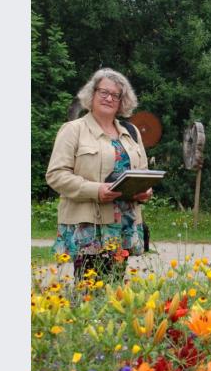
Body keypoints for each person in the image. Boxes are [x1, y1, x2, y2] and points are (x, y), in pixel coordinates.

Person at [46, 68, 153, 279]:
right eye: (104, 92)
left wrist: (145, 191)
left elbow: (144, 173)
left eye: (115, 95)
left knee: (116, 288)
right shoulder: (73, 130)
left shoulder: (131, 133)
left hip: (124, 224)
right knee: (89, 288)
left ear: (122, 101)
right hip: (89, 226)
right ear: (92, 93)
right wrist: (95, 190)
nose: (109, 98)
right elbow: (56, 175)